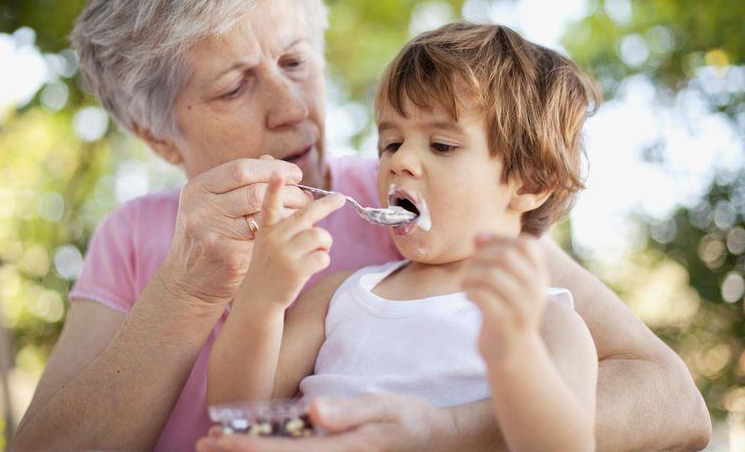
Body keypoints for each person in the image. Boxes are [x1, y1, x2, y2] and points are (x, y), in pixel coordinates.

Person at [9, 0, 710, 451]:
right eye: (234, 85)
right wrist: (190, 293)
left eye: (293, 61)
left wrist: (446, 432)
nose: (293, 108)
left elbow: (671, 400)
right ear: (159, 136)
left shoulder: (449, 220)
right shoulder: (133, 238)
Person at [206, 22, 599, 452]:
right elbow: (237, 412)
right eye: (391, 144)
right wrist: (261, 299)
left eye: (442, 145)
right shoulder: (338, 296)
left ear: (530, 182)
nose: (401, 161)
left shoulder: (546, 322)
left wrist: (517, 352)